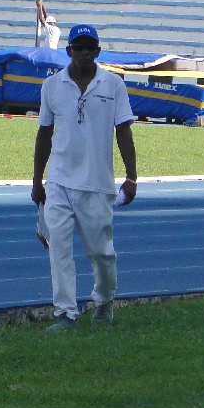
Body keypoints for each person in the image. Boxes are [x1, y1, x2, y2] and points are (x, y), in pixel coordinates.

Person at [32, 24, 138, 332]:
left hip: (96, 182)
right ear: (69, 51)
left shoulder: (113, 84)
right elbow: (44, 133)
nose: (84, 53)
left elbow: (124, 131)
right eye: (78, 47)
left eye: (89, 47)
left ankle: (104, 301)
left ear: (98, 51)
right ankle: (65, 313)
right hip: (59, 180)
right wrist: (37, 181)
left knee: (101, 253)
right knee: (59, 248)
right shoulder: (52, 85)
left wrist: (131, 177)